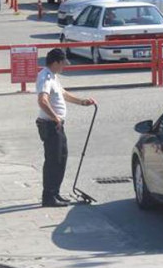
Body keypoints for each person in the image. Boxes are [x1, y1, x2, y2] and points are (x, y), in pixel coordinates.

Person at [36, 48, 96, 207]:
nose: (64, 67)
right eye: (63, 63)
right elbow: (42, 100)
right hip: (50, 124)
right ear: (55, 62)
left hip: (55, 124)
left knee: (61, 158)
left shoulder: (53, 76)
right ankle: (48, 196)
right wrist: (55, 117)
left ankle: (55, 192)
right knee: (53, 160)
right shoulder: (46, 77)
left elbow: (63, 94)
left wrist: (82, 102)